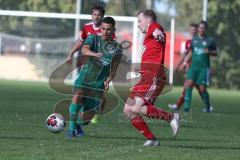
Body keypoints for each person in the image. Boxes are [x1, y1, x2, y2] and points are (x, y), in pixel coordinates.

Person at [123, 9, 179, 146]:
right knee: (128, 111)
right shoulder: (148, 37)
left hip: (153, 75)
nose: (138, 24)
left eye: (139, 20)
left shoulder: (153, 27)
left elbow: (156, 29)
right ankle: (152, 139)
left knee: (135, 108)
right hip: (146, 75)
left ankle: (171, 117)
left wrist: (157, 32)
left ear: (148, 20)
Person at [67, 17, 122, 137]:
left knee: (85, 120)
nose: (105, 32)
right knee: (78, 96)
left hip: (98, 86)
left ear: (114, 30)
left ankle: (77, 124)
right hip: (83, 80)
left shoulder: (117, 48)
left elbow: (113, 70)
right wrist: (94, 54)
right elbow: (84, 49)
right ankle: (71, 131)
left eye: (108, 29)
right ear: (100, 28)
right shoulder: (93, 38)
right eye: (103, 28)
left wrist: (108, 80)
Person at [183, 20, 217, 112]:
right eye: (200, 27)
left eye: (203, 28)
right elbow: (191, 52)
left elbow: (215, 53)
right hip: (193, 67)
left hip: (204, 68)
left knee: (202, 89)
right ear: (198, 29)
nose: (201, 29)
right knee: (188, 84)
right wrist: (185, 62)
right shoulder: (194, 40)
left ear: (206, 29)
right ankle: (186, 107)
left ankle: (207, 105)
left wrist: (209, 52)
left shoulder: (210, 41)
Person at [168, 23, 202, 110]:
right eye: (191, 29)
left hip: (199, 68)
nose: (192, 31)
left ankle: (207, 105)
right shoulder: (188, 42)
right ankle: (179, 105)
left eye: (194, 29)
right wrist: (179, 65)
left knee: (191, 86)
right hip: (191, 68)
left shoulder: (201, 41)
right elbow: (184, 55)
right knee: (191, 86)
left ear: (197, 30)